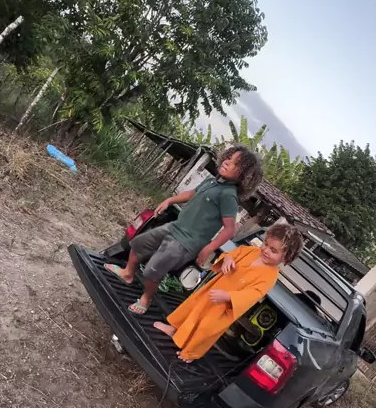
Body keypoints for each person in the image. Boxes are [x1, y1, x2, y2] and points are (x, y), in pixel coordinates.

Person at [105, 146, 263, 314]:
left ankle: (146, 299)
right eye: (229, 158)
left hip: (186, 242)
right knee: (138, 244)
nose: (227, 162)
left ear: (243, 175)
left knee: (154, 270)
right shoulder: (211, 181)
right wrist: (169, 200)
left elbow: (229, 229)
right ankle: (128, 273)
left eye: (235, 163)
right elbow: (191, 194)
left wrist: (208, 248)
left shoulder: (228, 195)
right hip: (175, 227)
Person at [154, 223, 305, 362]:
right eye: (266, 244)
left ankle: (190, 353)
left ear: (285, 258)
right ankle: (174, 328)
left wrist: (228, 297)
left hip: (225, 306)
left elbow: (253, 294)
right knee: (191, 310)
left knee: (206, 329)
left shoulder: (270, 277)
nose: (265, 250)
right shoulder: (250, 251)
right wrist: (227, 260)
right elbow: (231, 254)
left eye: (273, 250)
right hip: (213, 291)